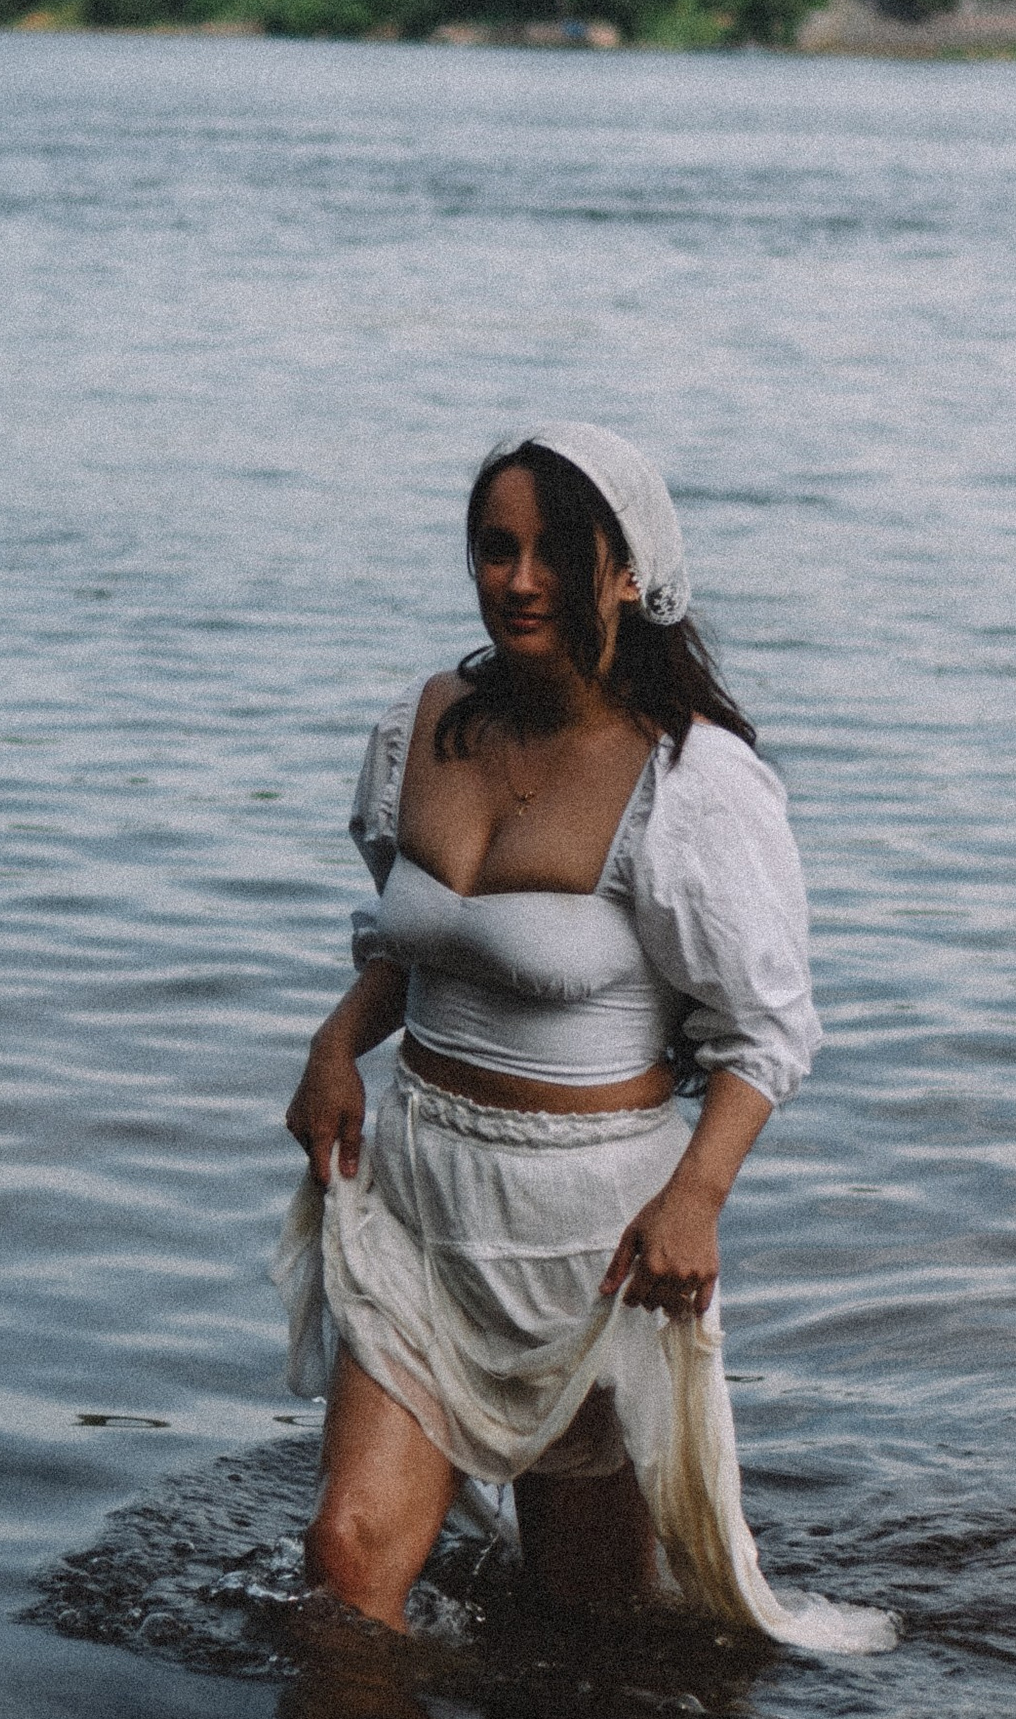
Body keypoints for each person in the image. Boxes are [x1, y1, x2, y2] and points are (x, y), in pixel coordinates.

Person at [276, 423, 894, 1653]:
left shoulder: (692, 783)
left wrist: (697, 1196)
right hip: (415, 1193)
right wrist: (337, 1046)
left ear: (627, 573)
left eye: (555, 553)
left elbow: (765, 1031)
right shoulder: (422, 726)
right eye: (494, 550)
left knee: (589, 1626)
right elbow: (409, 941)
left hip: (592, 1240)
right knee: (348, 1554)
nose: (518, 581)